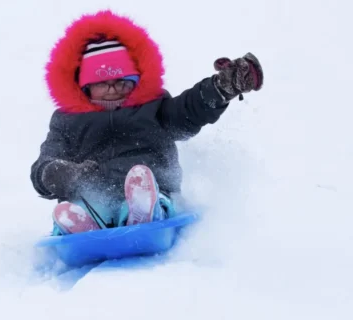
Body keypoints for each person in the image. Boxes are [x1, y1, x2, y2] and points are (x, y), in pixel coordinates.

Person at [30, 10, 263, 235]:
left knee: (144, 188)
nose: (113, 89)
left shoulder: (153, 107)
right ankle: (80, 223)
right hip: (95, 196)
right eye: (102, 82)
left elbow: (188, 111)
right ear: (85, 86)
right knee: (86, 204)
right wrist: (55, 173)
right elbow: (45, 163)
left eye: (122, 81)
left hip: (151, 187)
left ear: (136, 79)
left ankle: (146, 213)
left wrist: (219, 89)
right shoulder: (67, 121)